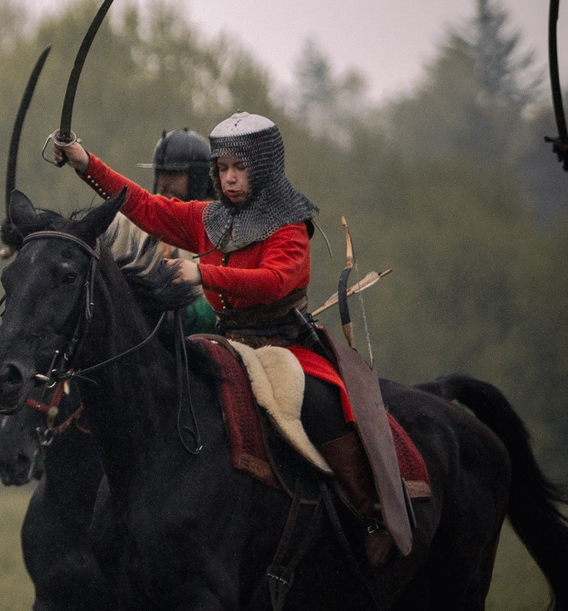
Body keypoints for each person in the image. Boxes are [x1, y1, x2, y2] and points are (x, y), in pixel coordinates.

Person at [48, 112, 393, 565]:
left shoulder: (289, 224)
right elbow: (147, 207)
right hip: (228, 342)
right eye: (224, 168)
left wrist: (201, 270)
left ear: (264, 168)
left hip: (284, 346)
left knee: (321, 406)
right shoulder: (211, 217)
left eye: (240, 168)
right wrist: (85, 162)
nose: (230, 179)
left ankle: (372, 514)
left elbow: (275, 280)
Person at [102, 129, 219, 336]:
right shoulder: (128, 222)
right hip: (136, 335)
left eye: (174, 174)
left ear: (197, 176)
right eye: (161, 173)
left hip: (204, 337)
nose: (165, 181)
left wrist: (186, 310)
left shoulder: (222, 224)